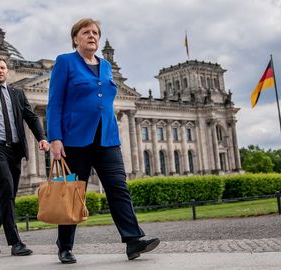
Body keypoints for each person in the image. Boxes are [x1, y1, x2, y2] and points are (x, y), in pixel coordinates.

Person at [46, 18, 160, 264]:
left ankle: (132, 240)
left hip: (107, 138)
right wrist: (55, 138)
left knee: (118, 188)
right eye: (86, 32)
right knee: (73, 194)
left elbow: (104, 99)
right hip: (75, 140)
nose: (92, 36)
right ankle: (65, 247)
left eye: (96, 32)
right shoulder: (65, 62)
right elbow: (54, 102)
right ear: (76, 38)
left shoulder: (106, 66)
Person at [0, 55, 49, 256]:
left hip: (15, 149)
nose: (0, 71)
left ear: (7, 70)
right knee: (6, 188)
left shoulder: (17, 93)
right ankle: (15, 242)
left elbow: (30, 116)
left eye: (3, 68)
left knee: (8, 194)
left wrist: (42, 137)